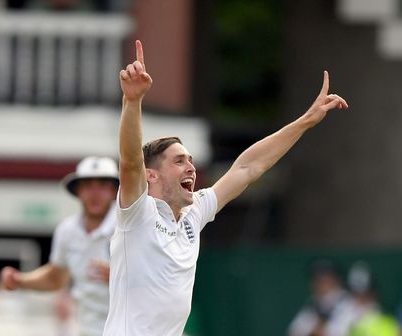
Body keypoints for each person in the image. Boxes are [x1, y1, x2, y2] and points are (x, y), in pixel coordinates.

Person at [104, 40, 348, 336]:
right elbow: (131, 162)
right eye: (179, 161)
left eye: (190, 160)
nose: (190, 167)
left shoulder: (193, 213)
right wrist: (132, 101)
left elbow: (248, 168)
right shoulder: (138, 213)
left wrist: (306, 121)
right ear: (151, 176)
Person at [0, 156, 119, 336]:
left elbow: (155, 277)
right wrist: (20, 281)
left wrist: (120, 275)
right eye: (88, 186)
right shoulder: (67, 230)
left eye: (103, 186)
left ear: (114, 191)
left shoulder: (129, 227)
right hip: (87, 329)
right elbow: (56, 277)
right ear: (78, 191)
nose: (95, 194)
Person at [288, 259, 352, 336]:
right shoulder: (313, 303)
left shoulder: (349, 301)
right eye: (316, 278)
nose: (320, 283)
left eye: (325, 278)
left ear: (337, 279)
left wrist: (313, 331)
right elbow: (294, 331)